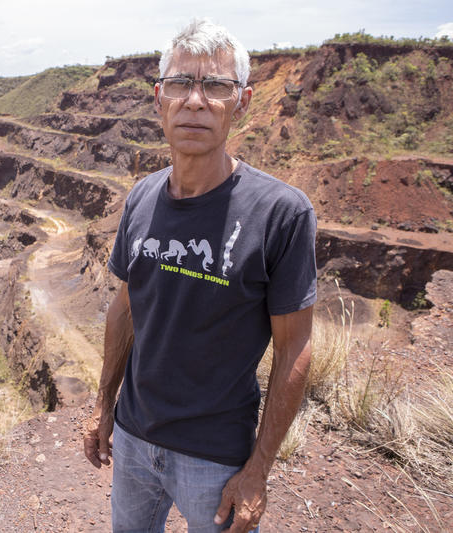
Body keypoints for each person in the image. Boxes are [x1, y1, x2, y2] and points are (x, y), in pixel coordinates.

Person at [83, 18, 317, 533]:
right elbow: (125, 308)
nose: (195, 100)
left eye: (215, 85)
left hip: (217, 458)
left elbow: (294, 348)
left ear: (243, 101)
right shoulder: (142, 197)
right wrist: (105, 406)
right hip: (134, 438)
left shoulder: (281, 213)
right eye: (180, 83)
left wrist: (258, 469)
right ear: (157, 99)